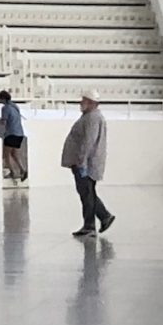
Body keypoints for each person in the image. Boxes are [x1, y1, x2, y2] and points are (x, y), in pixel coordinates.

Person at [61, 90, 113, 238]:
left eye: (83, 100)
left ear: (91, 102)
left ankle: (92, 225)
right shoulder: (91, 117)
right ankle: (103, 218)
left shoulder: (92, 118)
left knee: (87, 194)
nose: (80, 103)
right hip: (86, 163)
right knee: (88, 194)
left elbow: (88, 142)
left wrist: (82, 162)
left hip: (86, 164)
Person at [0, 89, 28, 183]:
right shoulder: (15, 106)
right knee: (15, 154)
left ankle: (12, 172)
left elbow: (3, 122)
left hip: (11, 133)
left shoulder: (5, 108)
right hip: (19, 133)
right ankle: (23, 170)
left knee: (6, 155)